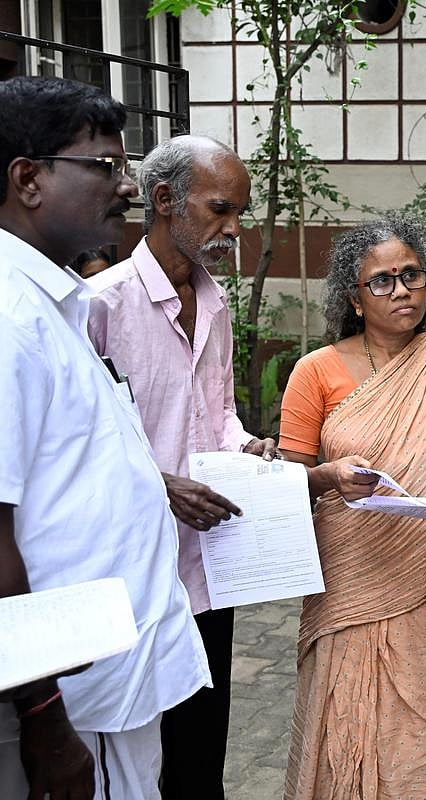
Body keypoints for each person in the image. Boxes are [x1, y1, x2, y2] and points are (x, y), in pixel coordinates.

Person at [0, 76, 209, 799]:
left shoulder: (52, 303)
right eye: (104, 166)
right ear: (28, 178)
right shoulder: (9, 319)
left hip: (111, 685)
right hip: (64, 703)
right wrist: (43, 717)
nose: (126, 187)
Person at [278, 212, 426, 800]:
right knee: (349, 732)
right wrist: (328, 477)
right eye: (381, 280)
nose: (402, 290)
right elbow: (285, 481)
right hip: (350, 589)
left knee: (423, 743)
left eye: (412, 275)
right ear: (354, 299)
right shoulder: (315, 372)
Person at [85, 134, 279, 798]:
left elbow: (217, 413)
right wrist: (159, 486)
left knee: (201, 756)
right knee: (133, 758)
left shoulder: (215, 304)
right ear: (165, 200)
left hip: (206, 565)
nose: (234, 230)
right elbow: (78, 446)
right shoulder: (100, 305)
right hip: (131, 573)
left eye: (240, 213)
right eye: (221, 209)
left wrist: (246, 447)